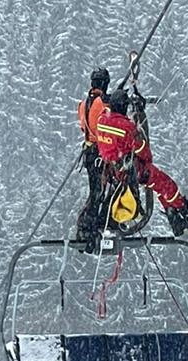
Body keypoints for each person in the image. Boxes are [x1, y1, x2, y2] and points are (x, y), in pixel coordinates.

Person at [96, 88, 188, 236]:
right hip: (131, 169)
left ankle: (174, 216)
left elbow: (111, 120)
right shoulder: (126, 126)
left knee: (159, 186)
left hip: (112, 169)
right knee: (166, 184)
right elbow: (141, 148)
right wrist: (146, 160)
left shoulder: (102, 120)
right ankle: (187, 214)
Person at [76, 67, 112, 244]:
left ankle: (90, 225)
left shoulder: (83, 104)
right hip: (100, 151)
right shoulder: (104, 102)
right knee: (99, 191)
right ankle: (89, 224)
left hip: (89, 151)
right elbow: (111, 117)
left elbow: (83, 126)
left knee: (96, 190)